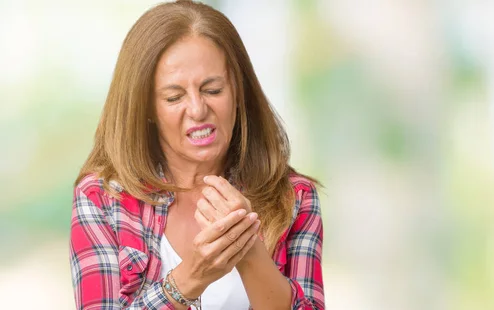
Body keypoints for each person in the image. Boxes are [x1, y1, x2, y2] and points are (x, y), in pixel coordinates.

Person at [69, 1, 324, 309]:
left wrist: (246, 246)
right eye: (174, 97)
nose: (198, 109)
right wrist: (189, 278)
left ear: (239, 92)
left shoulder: (294, 197)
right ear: (146, 108)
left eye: (213, 90)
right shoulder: (102, 198)